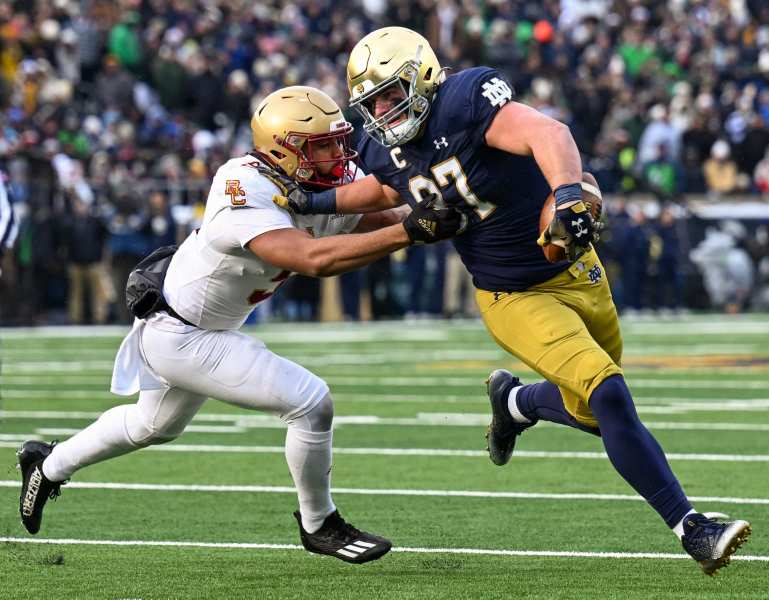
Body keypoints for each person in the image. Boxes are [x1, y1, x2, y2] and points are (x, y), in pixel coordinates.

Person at [288, 27, 751, 575]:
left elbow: (547, 133)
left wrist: (568, 192)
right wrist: (313, 198)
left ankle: (516, 403)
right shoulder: (382, 146)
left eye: (393, 94)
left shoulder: (463, 102)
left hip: (574, 268)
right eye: (374, 103)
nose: (385, 111)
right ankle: (691, 526)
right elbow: (388, 187)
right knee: (609, 396)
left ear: (425, 77)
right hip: (511, 294)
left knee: (593, 411)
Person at [16, 85, 462, 564]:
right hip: (183, 335)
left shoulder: (318, 177)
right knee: (311, 403)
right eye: (323, 146)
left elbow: (382, 214)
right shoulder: (243, 185)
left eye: (338, 141)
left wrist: (434, 215)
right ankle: (319, 523)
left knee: (152, 425)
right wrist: (408, 231)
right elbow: (312, 259)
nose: (340, 155)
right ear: (282, 148)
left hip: (210, 327)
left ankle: (49, 464)